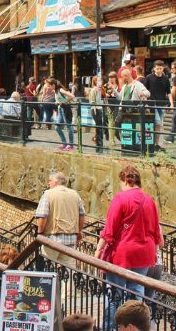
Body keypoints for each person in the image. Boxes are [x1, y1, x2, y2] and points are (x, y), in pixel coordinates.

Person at [95, 166, 162, 324]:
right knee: (136, 292)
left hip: (123, 253)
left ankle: (110, 327)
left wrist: (98, 250)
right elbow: (156, 230)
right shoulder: (149, 200)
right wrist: (155, 251)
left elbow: (109, 228)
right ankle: (134, 326)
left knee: (115, 294)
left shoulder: (121, 198)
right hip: (144, 253)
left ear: (125, 180)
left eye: (121, 182)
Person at [34, 171, 85, 267]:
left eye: (50, 180)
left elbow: (43, 216)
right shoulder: (75, 194)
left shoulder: (48, 194)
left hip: (52, 239)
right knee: (68, 272)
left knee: (48, 269)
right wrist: (79, 231)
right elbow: (82, 215)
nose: (48, 183)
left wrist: (40, 233)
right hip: (70, 239)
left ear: (56, 181)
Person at [144, 60, 171, 152]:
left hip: (162, 104)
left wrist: (171, 104)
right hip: (152, 104)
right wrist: (146, 103)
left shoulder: (166, 78)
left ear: (163, 68)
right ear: (154, 68)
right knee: (158, 122)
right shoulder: (149, 77)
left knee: (159, 125)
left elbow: (169, 92)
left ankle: (156, 144)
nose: (159, 70)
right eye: (157, 68)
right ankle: (155, 143)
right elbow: (144, 91)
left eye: (160, 68)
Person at [54, 80, 77, 151]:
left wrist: (64, 102)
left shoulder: (60, 90)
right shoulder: (55, 91)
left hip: (65, 109)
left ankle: (71, 145)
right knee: (57, 127)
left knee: (68, 127)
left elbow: (72, 96)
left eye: (49, 85)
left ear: (53, 85)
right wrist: (57, 103)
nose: (47, 87)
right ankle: (64, 143)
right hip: (60, 109)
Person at [88, 75, 106, 151]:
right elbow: (92, 100)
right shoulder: (94, 89)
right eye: (98, 80)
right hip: (96, 109)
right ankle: (99, 144)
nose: (100, 82)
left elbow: (104, 98)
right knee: (99, 127)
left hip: (100, 108)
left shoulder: (101, 89)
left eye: (101, 80)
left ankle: (98, 142)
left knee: (100, 127)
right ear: (95, 81)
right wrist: (94, 108)